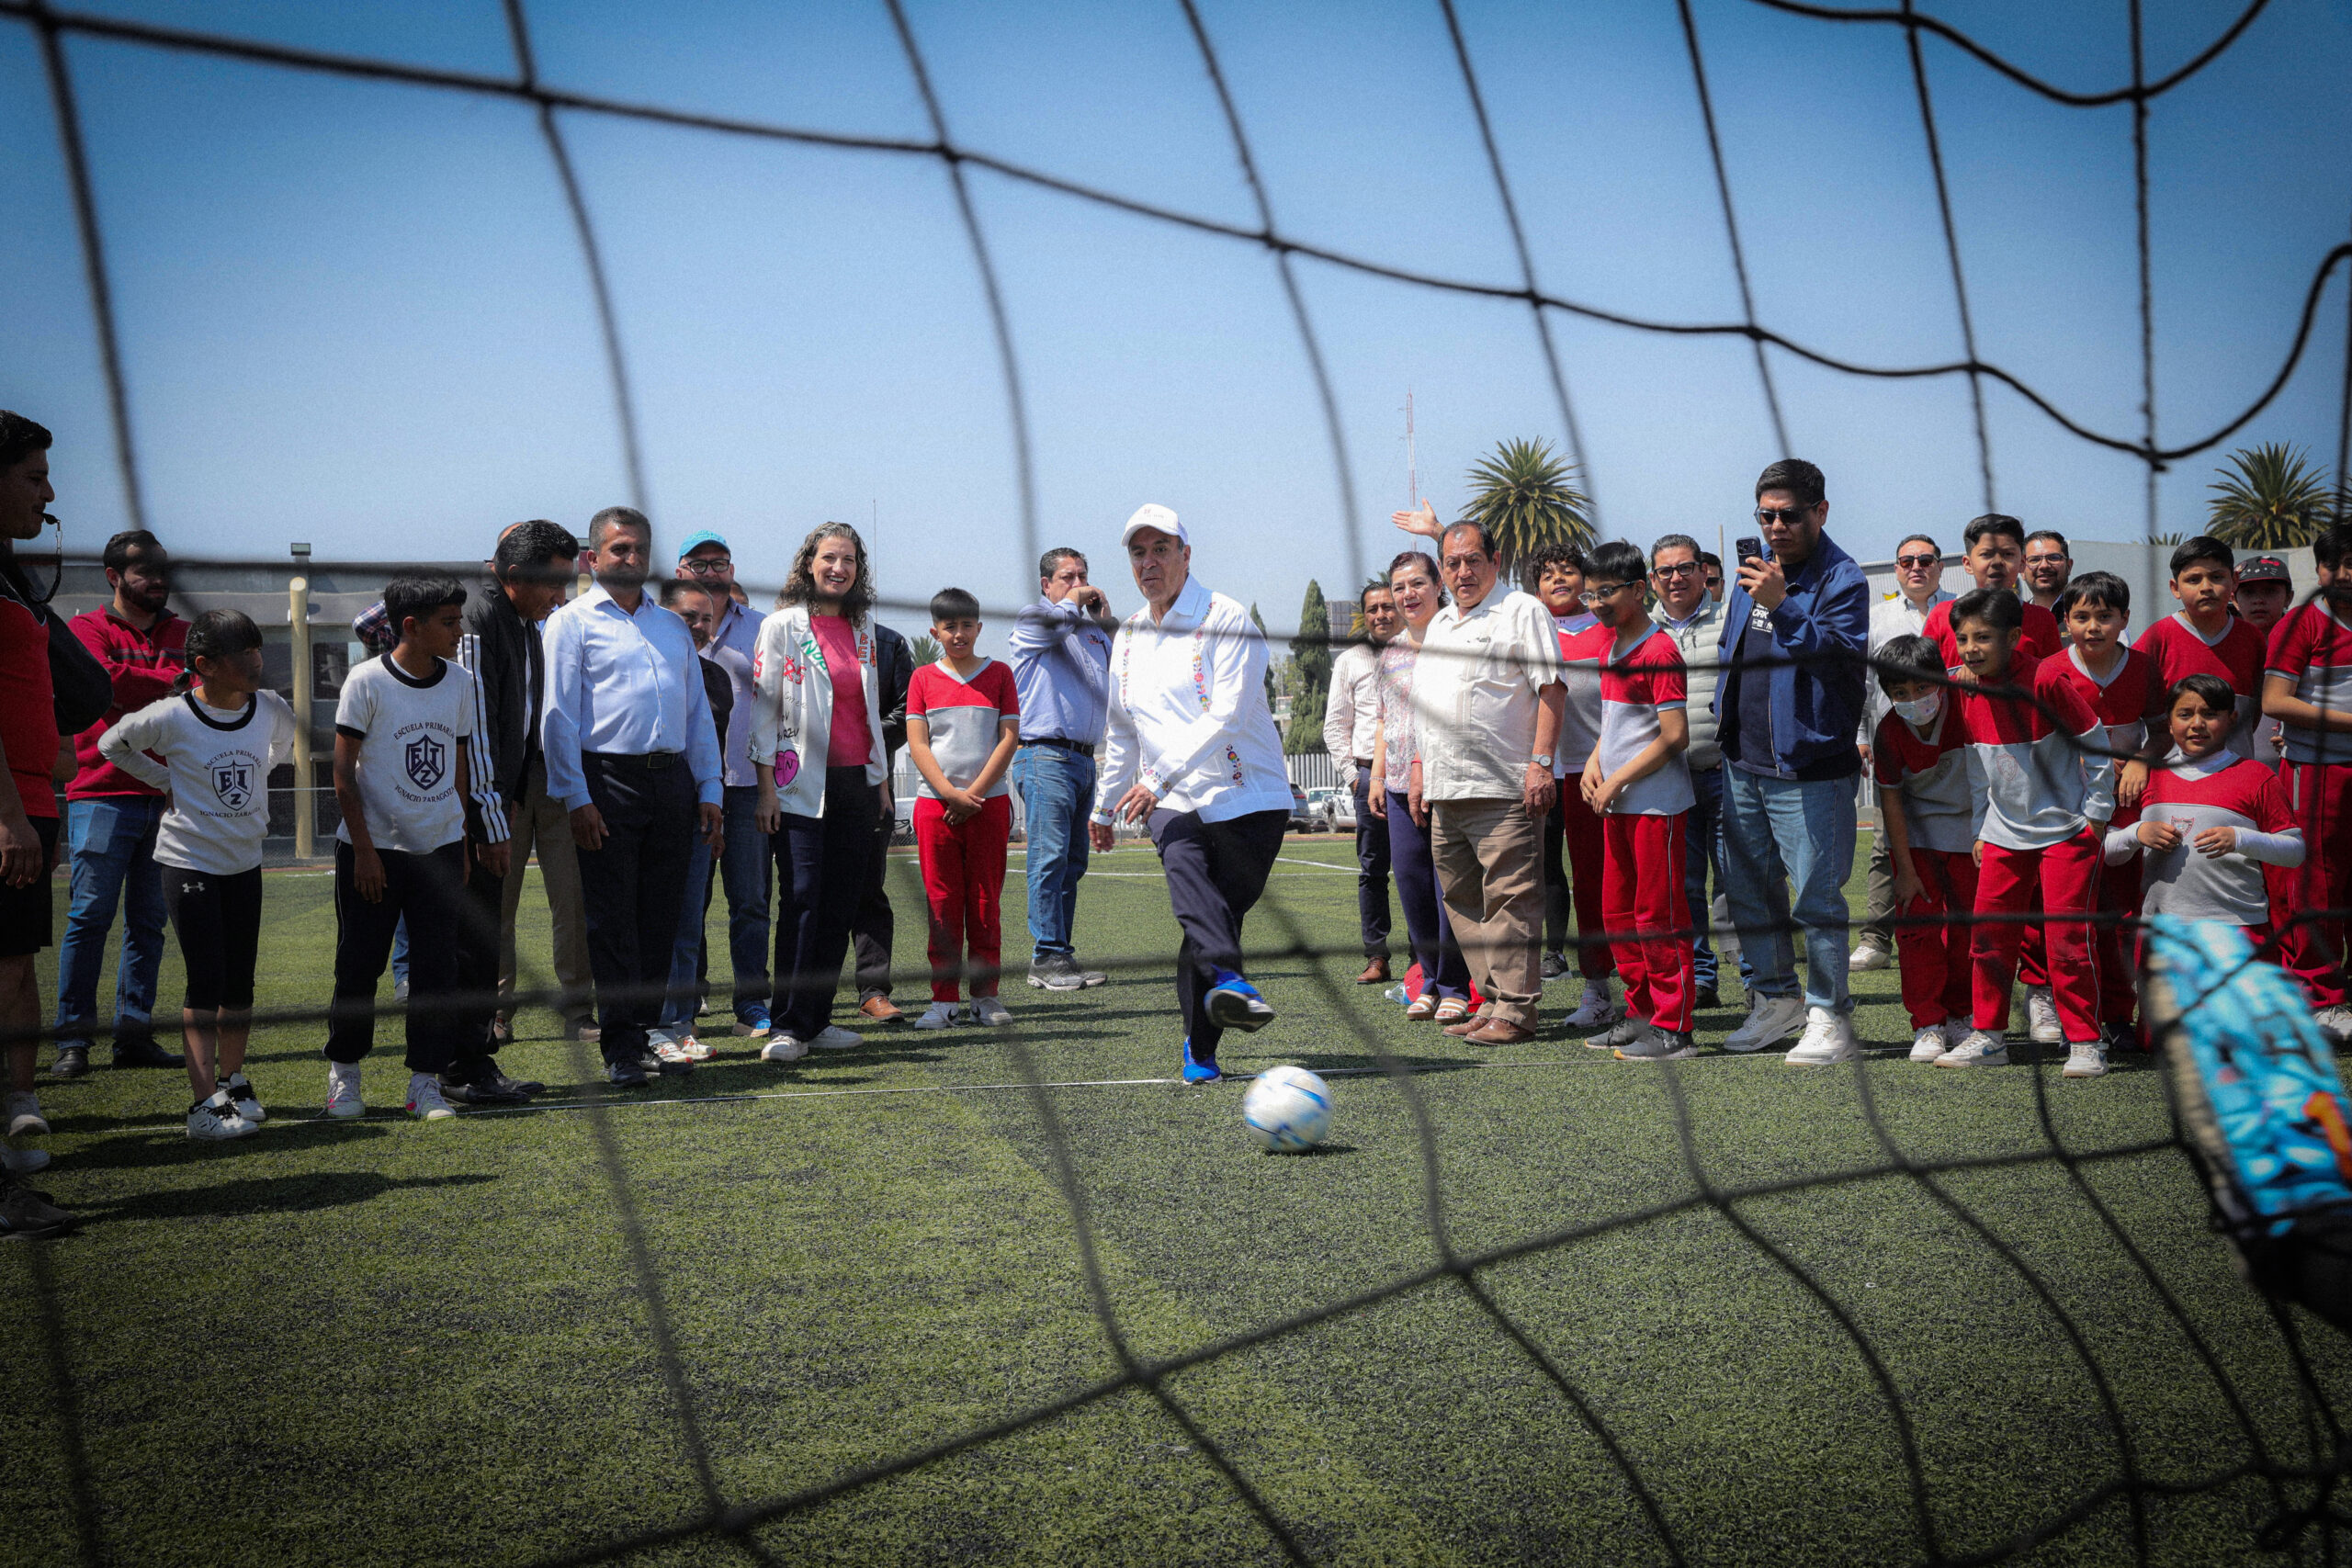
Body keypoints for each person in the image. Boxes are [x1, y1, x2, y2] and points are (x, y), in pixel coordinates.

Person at [1087, 504, 1293, 1081]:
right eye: (1138, 553)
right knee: (1191, 888)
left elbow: (1226, 716)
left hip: (1249, 797)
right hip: (1172, 803)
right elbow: (1121, 731)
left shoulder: (1226, 618)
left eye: (1161, 549)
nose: (1149, 562)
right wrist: (1104, 807)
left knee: (1215, 918)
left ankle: (1200, 1046)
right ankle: (1229, 985)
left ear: (1185, 555)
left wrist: (1156, 779)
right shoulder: (1128, 635)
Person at [97, 610, 298, 1135]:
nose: (256, 661)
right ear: (204, 665)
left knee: (241, 983)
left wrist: (261, 770)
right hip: (189, 862)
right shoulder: (171, 715)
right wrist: (165, 780)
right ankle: (205, 1105)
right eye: (243, 654)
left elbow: (284, 738)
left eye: (257, 649)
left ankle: (233, 1082)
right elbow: (111, 744)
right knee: (206, 981)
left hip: (245, 862)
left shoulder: (269, 707)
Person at [543, 507, 724, 1087]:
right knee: (613, 919)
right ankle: (620, 1048)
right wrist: (576, 796)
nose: (631, 558)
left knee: (660, 918)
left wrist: (710, 787)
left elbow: (697, 717)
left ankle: (645, 1035)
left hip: (671, 782)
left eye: (640, 548)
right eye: (619, 548)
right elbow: (557, 718)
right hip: (606, 781)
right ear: (591, 558)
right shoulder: (569, 623)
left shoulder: (671, 626)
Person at [324, 576, 511, 1120]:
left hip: (440, 852)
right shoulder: (365, 681)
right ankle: (344, 1076)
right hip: (374, 853)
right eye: (449, 623)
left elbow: (458, 765)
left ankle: (423, 1084)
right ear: (411, 626)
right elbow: (343, 773)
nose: (459, 632)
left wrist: (462, 841)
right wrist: (364, 851)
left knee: (437, 972)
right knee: (359, 967)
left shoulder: (460, 681)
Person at [1714, 458, 1871, 1060]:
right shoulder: (1753, 569)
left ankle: (1830, 1016)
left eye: (1789, 515)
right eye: (1766, 515)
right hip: (1743, 761)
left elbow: (1838, 664)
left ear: (1820, 512)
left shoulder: (1844, 579)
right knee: (1750, 892)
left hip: (1809, 768)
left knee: (1816, 899)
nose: (1776, 527)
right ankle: (1776, 1000)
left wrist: (1782, 604)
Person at [1405, 509, 1567, 1047]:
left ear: (1495, 561)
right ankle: (1493, 1001)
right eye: (1452, 563)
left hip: (1504, 788)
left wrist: (1541, 763)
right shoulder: (1440, 625)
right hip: (1445, 789)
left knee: (1511, 900)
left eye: (1473, 560)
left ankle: (1517, 1011)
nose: (1463, 572)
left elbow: (1552, 687)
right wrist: (1419, 770)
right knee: (1463, 904)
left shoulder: (1522, 610)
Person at [1937, 589, 2115, 1075]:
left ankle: (2086, 1041)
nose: (1970, 649)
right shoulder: (1966, 688)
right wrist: (1981, 828)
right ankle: (1989, 1037)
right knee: (1988, 939)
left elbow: (2096, 743)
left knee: (2067, 942)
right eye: (1963, 639)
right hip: (2001, 836)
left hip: (2067, 833)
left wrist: (2097, 815)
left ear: (2014, 637)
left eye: (1983, 638)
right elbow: (1978, 770)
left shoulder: (2047, 680)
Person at [452, 518, 582, 1097]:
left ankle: (475, 1063)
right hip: (480, 808)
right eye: (553, 582)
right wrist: (489, 816)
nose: (561, 596)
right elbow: (475, 726)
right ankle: (462, 1066)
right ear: (511, 573)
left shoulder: (526, 622)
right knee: (476, 936)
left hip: (512, 793)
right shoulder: (479, 620)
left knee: (484, 937)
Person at [751, 523, 888, 1061]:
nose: (839, 568)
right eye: (829, 557)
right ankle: (787, 1025)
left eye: (849, 560)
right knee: (803, 900)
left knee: (841, 903)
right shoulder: (781, 626)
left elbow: (869, 712)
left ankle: (818, 1019)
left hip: (857, 784)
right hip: (798, 785)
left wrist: (880, 781)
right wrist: (766, 789)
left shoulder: (864, 627)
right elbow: (764, 711)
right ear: (809, 563)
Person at [53, 526, 187, 1075]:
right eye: (143, 571)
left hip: (169, 796)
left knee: (149, 923)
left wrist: (141, 681)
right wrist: (171, 680)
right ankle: (73, 1042)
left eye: (162, 570)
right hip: (101, 791)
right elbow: (103, 684)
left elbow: (197, 690)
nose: (157, 580)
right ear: (113, 576)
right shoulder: (85, 627)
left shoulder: (185, 631)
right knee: (90, 918)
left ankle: (133, 1037)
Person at [1569, 541, 1698, 1061]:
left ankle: (1674, 1028)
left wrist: (1616, 779)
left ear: (1639, 589)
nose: (1596, 603)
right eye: (1590, 594)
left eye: (1606, 592)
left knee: (1657, 916)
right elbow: (1616, 723)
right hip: (1617, 802)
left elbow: (1675, 735)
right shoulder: (1609, 647)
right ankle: (1640, 1015)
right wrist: (1595, 760)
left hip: (1655, 806)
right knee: (1618, 915)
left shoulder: (1659, 650)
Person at [0, 412, 74, 1220]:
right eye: (33, 476)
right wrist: (8, 814)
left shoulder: (10, 577)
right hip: (10, 814)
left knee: (16, 968)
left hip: (30, 804)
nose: (48, 494)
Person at [2109, 674, 2302, 968]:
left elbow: (2295, 851)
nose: (2197, 724)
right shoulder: (2146, 777)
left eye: (2210, 714)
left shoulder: (2256, 777)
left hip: (2238, 930)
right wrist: (2137, 833)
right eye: (2185, 714)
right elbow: (2108, 852)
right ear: (2169, 722)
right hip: (2163, 934)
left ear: (2233, 719)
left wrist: (2240, 839)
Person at [2046, 571, 2164, 1049]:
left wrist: (2139, 760)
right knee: (2071, 915)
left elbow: (2162, 730)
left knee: (2120, 913)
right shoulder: (2051, 670)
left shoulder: (2144, 668)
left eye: (2104, 616)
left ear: (2124, 619)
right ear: (2065, 622)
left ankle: (2118, 1014)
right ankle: (2070, 1015)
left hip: (2126, 806)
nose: (2092, 626)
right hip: (2066, 809)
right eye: (2081, 617)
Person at [904, 587, 1021, 1028]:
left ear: (979, 627)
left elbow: (1009, 738)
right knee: (942, 904)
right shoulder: (922, 679)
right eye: (949, 626)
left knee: (986, 904)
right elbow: (918, 744)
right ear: (935, 631)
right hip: (936, 808)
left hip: (989, 806)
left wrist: (972, 795)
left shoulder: (1000, 675)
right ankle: (943, 1000)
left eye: (967, 625)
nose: (959, 634)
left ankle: (985, 997)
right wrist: (949, 794)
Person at [674, 529, 774, 1039]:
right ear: (680, 570)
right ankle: (685, 1006)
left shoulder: (762, 628)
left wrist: (771, 787)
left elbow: (778, 709)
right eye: (699, 563)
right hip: (685, 787)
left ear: (732, 571)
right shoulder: (663, 626)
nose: (710, 571)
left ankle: (752, 1004)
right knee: (688, 903)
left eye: (720, 563)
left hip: (746, 784)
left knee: (751, 902)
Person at [1367, 549, 1472, 1023]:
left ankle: (1455, 985)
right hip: (1394, 785)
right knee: (1411, 884)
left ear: (1438, 586)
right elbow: (1384, 719)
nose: (1407, 594)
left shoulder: (1454, 638)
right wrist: (1376, 775)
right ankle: (1427, 980)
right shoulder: (1389, 652)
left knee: (1449, 886)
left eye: (1417, 584)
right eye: (1399, 587)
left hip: (1445, 781)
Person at [1869, 635, 1982, 1063]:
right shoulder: (1889, 731)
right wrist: (1905, 870)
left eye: (1922, 687)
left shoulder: (1968, 705)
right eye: (1900, 692)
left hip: (1972, 834)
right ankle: (1928, 1024)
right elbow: (1891, 802)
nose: (1914, 699)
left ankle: (1960, 1014)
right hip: (1916, 840)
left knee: (1969, 929)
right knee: (1917, 932)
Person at [1009, 547, 1116, 991]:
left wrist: (1106, 623)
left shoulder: (1089, 631)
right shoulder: (1035, 617)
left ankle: (1060, 955)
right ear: (1046, 584)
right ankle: (1046, 957)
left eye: (1083, 576)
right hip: (1045, 754)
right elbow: (1054, 625)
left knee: (1072, 862)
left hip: (1084, 758)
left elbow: (1121, 668)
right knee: (1049, 857)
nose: (1080, 584)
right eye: (1068, 577)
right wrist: (1075, 601)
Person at [2260, 523, 2352, 1032]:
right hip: (2316, 772)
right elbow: (2275, 702)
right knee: (2317, 885)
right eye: (2332, 564)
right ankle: (2323, 998)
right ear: (2319, 572)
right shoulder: (2300, 625)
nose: (2343, 574)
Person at [1848, 533, 1951, 975]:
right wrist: (1861, 734)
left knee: (1953, 841)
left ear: (1940, 566)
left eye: (1925, 560)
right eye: (1907, 561)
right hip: (1892, 748)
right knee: (1884, 843)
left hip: (1950, 746)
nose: (1916, 568)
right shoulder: (1877, 618)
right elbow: (1863, 685)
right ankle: (1876, 939)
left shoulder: (1957, 612)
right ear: (1895, 569)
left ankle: (1953, 931)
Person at [1532, 542, 1619, 1029]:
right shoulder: (1527, 631)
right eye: (1548, 574)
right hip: (1545, 776)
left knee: (1608, 881)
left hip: (1601, 776)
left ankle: (1632, 985)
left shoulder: (1607, 628)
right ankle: (1594, 986)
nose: (1558, 579)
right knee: (1570, 882)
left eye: (1567, 570)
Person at [645, 579, 732, 1064]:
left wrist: (714, 807)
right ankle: (647, 1026)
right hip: (649, 809)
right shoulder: (646, 669)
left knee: (687, 924)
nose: (698, 626)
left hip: (699, 812)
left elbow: (710, 750)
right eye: (687, 617)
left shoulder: (716, 678)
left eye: (706, 618)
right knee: (648, 923)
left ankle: (680, 1025)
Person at [1649, 534, 1730, 1010]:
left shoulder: (1731, 620)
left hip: (1726, 774)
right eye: (1666, 571)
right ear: (1652, 580)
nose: (1676, 578)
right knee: (1684, 887)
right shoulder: (1643, 631)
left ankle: (1758, 982)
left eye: (1685, 568)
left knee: (1739, 884)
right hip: (1670, 779)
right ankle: (1700, 979)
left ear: (1703, 572)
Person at [2134, 536, 2268, 765]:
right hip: (2172, 775)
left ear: (2234, 582)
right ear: (2175, 588)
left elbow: (2254, 712)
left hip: (2236, 772)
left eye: (2217, 577)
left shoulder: (2252, 639)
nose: (2206, 587)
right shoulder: (2157, 637)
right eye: (2193, 580)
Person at [1323, 578, 1398, 984]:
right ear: (1364, 615)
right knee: (1373, 871)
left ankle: (1427, 961)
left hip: (1417, 772)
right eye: (1373, 609)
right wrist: (1356, 779)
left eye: (1388, 606)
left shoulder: (1421, 649)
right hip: (1369, 776)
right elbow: (1335, 726)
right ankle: (1377, 956)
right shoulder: (1350, 660)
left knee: (1424, 870)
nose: (1381, 615)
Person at [849, 612, 914, 1024]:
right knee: (807, 895)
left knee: (868, 890)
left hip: (873, 784)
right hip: (806, 784)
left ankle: (873, 992)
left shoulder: (888, 642)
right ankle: (808, 1001)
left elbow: (907, 712)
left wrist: (859, 738)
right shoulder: (796, 634)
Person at [1922, 515, 2062, 675]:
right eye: (1986, 554)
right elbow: (1923, 679)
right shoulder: (1941, 616)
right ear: (1968, 564)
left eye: (2008, 554)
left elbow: (2054, 678)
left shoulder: (2042, 619)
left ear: (2022, 563)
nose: (1997, 562)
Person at [2237, 555, 2293, 765]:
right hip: (2232, 767)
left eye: (2270, 591)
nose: (2259, 600)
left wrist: (2301, 736)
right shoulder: (2222, 647)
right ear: (2234, 598)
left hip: (2291, 763)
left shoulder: (2307, 646)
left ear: (2288, 597)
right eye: (2248, 592)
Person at [2023, 529, 2074, 615]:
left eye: (2053, 558)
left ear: (2069, 566)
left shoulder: (2082, 615)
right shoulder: (2015, 617)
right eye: (2035, 560)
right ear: (2022, 571)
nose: (2044, 565)